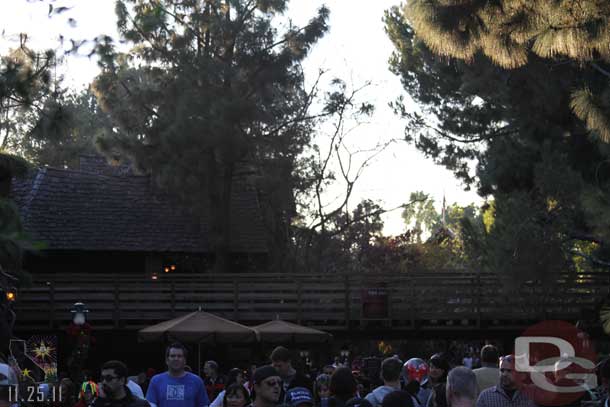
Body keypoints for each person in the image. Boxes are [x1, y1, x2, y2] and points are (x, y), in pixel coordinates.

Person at [146, 342, 210, 407]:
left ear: (185, 360)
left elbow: (203, 405)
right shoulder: (156, 381)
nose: (176, 359)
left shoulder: (197, 381)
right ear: (167, 360)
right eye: (172, 356)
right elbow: (151, 404)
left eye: (179, 356)